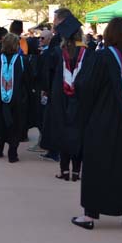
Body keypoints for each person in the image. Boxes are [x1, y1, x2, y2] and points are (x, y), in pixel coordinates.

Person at [72, 16, 122, 230]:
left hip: (103, 123)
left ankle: (90, 215)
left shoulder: (103, 57)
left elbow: (84, 86)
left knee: (98, 167)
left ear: (108, 35)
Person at [41, 16, 93, 182]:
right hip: (81, 99)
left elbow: (47, 74)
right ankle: (77, 172)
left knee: (62, 134)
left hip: (60, 99)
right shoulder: (88, 53)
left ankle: (64, 171)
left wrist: (47, 91)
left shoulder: (57, 52)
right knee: (78, 135)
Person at [0, 33, 31, 163]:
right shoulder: (23, 60)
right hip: (17, 99)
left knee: (0, 124)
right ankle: (12, 153)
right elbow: (28, 81)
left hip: (0, 98)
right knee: (16, 126)